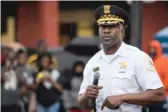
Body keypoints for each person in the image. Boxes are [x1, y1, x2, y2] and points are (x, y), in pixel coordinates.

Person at [77, 5, 165, 112]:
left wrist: (122, 98)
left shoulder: (138, 57)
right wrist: (87, 96)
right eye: (103, 26)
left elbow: (159, 95)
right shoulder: (93, 62)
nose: (106, 31)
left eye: (112, 26)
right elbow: (83, 105)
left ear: (121, 29)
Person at [148, 40, 168, 112]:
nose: (152, 51)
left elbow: (167, 79)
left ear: (158, 49)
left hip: (163, 96)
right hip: (150, 97)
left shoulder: (164, 62)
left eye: (154, 49)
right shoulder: (148, 62)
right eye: (150, 48)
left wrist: (160, 90)